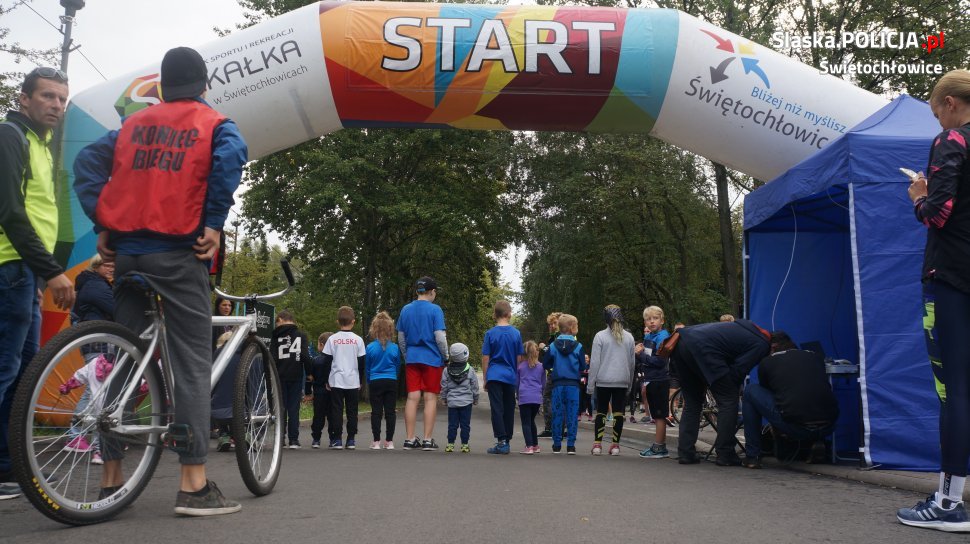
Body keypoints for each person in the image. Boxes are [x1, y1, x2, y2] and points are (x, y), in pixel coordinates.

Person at [73, 46, 247, 515]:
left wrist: (102, 223)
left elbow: (87, 164)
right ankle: (194, 483)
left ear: (161, 88)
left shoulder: (129, 127)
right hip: (179, 253)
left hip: (128, 255)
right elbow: (231, 159)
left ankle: (111, 477)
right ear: (204, 85)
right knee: (191, 360)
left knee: (124, 355)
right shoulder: (215, 123)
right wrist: (213, 222)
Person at [897, 69, 970, 532]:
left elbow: (938, 215)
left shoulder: (952, 141)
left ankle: (948, 504)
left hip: (952, 280)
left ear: (947, 103)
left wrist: (918, 196)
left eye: (934, 113)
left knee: (954, 392)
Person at [0, 67, 73, 500]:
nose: (56, 106)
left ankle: (8, 470)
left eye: (62, 99)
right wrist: (52, 270)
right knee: (6, 371)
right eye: (47, 97)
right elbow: (10, 212)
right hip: (12, 268)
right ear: (24, 99)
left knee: (24, 374)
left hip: (25, 273)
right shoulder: (11, 136)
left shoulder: (42, 145)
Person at [670, 319, 771, 466]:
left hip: (681, 342)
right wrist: (732, 388)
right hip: (703, 348)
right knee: (729, 401)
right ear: (773, 346)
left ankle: (686, 453)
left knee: (692, 402)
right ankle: (725, 453)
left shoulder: (747, 327)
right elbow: (739, 370)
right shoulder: (763, 344)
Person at [740, 332, 838, 469]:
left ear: (773, 347)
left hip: (796, 427)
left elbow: (770, 393)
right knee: (810, 400)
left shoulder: (767, 362)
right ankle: (817, 441)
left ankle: (753, 456)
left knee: (750, 391)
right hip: (830, 426)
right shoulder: (814, 356)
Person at [397, 276, 447, 451]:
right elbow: (440, 337)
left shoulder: (405, 310)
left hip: (412, 358)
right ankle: (427, 439)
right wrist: (445, 355)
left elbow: (401, 338)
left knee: (412, 398)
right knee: (430, 397)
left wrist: (406, 355)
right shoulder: (435, 310)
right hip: (432, 359)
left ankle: (409, 439)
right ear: (432, 292)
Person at [588, 305, 635, 456]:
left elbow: (594, 363)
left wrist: (590, 385)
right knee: (618, 413)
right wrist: (630, 382)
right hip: (622, 379)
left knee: (601, 411)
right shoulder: (629, 337)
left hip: (603, 380)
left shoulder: (600, 336)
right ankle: (615, 445)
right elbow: (632, 363)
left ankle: (597, 444)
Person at [482, 300, 524, 455]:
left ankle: (501, 441)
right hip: (510, 375)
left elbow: (486, 357)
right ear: (509, 314)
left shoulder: (490, 333)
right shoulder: (516, 333)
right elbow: (519, 357)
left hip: (494, 375)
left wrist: (486, 378)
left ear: (495, 314)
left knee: (497, 409)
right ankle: (507, 438)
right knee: (508, 408)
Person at [321, 306, 366, 450]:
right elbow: (361, 363)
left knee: (336, 410)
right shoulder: (358, 340)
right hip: (353, 380)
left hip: (336, 380)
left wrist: (326, 379)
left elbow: (326, 361)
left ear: (337, 321)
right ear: (353, 321)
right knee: (352, 411)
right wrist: (360, 380)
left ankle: (337, 439)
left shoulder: (332, 339)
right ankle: (351, 439)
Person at [542, 314, 584, 454]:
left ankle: (557, 444)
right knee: (572, 413)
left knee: (557, 413)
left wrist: (554, 369)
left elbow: (546, 363)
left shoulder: (553, 346)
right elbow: (583, 366)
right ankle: (571, 445)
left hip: (558, 384)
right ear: (572, 328)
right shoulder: (578, 346)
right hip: (573, 384)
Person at [271, 310, 312, 449]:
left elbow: (272, 357)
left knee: (280, 408)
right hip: (296, 374)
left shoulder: (275, 336)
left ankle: (280, 438)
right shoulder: (301, 335)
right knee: (293, 408)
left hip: (279, 376)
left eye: (277, 322)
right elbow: (305, 356)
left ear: (281, 320)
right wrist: (310, 373)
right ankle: (294, 440)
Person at [637, 306, 673, 459]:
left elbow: (659, 361)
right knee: (656, 414)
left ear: (662, 320)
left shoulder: (662, 337)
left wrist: (640, 355)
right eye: (648, 319)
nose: (652, 322)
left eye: (655, 318)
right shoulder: (650, 336)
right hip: (651, 378)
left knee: (659, 415)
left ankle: (659, 447)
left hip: (659, 379)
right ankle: (659, 445)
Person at [366, 311, 400, 450]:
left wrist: (369, 381)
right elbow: (397, 366)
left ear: (374, 329)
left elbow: (367, 368)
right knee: (390, 412)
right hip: (391, 380)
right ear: (390, 329)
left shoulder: (370, 347)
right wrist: (394, 377)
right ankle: (389, 441)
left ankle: (376, 441)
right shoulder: (395, 348)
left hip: (375, 381)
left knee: (376, 412)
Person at [439, 343, 479, 453]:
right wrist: (475, 398)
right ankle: (465, 445)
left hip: (452, 402)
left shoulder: (446, 370)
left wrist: (444, 398)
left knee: (452, 424)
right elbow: (474, 385)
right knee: (465, 424)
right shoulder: (470, 370)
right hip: (466, 402)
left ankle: (450, 444)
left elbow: (444, 385)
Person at [517, 340, 545, 454]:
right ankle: (535, 445)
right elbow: (544, 383)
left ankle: (528, 446)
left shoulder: (520, 367)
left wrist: (517, 395)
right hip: (536, 397)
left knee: (526, 422)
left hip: (524, 397)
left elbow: (517, 383)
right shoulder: (542, 367)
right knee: (531, 421)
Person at [537, 312, 561, 438]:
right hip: (557, 372)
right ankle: (559, 427)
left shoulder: (560, 336)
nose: (551, 326)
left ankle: (550, 428)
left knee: (547, 398)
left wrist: (543, 348)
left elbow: (555, 353)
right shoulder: (555, 336)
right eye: (550, 324)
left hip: (556, 373)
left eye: (554, 323)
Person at [310, 332, 334, 448]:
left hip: (319, 391)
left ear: (322, 344)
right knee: (332, 415)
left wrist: (308, 392)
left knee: (318, 416)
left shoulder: (316, 360)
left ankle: (316, 438)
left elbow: (310, 377)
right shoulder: (335, 361)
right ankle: (333, 438)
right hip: (333, 391)